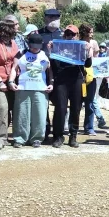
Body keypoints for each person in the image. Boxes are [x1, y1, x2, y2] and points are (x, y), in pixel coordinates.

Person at [11, 34, 53, 148]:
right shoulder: (21, 53)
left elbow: (50, 70)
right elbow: (14, 69)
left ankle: (37, 138)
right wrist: (11, 81)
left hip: (40, 88)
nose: (35, 48)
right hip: (23, 88)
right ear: (28, 44)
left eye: (37, 46)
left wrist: (51, 84)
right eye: (33, 46)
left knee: (39, 114)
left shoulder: (45, 54)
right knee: (22, 114)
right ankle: (20, 138)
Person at [50, 25, 87, 148]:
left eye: (73, 34)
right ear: (64, 35)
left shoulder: (81, 47)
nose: (70, 37)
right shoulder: (58, 47)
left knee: (76, 108)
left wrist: (88, 52)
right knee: (60, 108)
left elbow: (88, 64)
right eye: (67, 34)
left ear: (77, 36)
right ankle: (58, 136)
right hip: (62, 80)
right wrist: (51, 51)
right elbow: (54, 66)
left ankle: (73, 136)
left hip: (77, 79)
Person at [0, 20, 19, 150]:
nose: (6, 36)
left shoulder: (14, 44)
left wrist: (13, 79)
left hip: (11, 81)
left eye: (9, 33)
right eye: (4, 33)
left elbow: (16, 63)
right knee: (2, 107)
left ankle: (5, 136)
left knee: (10, 108)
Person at [37, 8, 64, 139]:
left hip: (59, 74)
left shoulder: (64, 35)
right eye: (50, 17)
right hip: (43, 74)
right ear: (45, 18)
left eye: (55, 17)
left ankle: (58, 130)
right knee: (43, 103)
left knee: (59, 103)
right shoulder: (38, 34)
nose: (53, 19)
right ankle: (45, 129)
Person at [81, 24, 107, 135]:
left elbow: (96, 59)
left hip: (91, 76)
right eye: (90, 31)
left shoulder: (94, 43)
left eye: (92, 31)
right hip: (80, 76)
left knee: (90, 101)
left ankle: (89, 127)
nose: (92, 33)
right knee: (77, 102)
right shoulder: (78, 42)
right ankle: (74, 125)